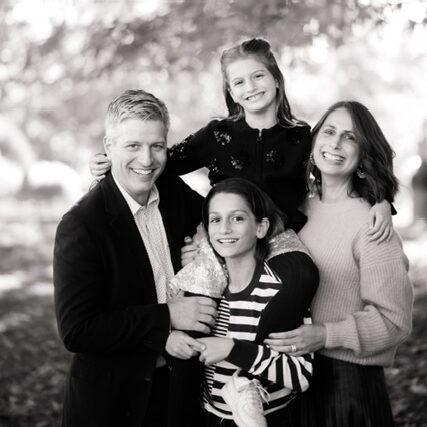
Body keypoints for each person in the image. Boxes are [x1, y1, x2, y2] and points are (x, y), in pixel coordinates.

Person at [90, 38, 392, 240]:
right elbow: (157, 163)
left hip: (279, 242)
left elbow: (346, 169)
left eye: (258, 76)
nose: (250, 87)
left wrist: (381, 201)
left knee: (302, 277)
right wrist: (113, 163)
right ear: (231, 92)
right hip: (224, 238)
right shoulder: (216, 135)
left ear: (276, 78)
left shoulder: (302, 137)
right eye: (238, 82)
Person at [53, 89, 218, 427]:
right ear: (108, 147)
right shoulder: (82, 224)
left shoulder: (173, 193)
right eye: (132, 146)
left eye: (157, 146)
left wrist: (204, 247)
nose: (147, 160)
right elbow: (78, 330)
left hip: (178, 392)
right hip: (113, 402)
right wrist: (167, 316)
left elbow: (220, 222)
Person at [264, 101, 414, 427]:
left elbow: (395, 320)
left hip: (346, 388)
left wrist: (325, 335)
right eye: (329, 132)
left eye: (350, 137)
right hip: (289, 379)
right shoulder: (297, 208)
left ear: (363, 154)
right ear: (314, 140)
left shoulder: (372, 224)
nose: (335, 143)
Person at [187, 177, 317, 426]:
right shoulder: (207, 286)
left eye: (237, 218)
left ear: (260, 227)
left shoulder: (279, 290)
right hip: (210, 417)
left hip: (272, 419)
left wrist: (233, 349)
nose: (224, 229)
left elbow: (301, 375)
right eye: (215, 220)